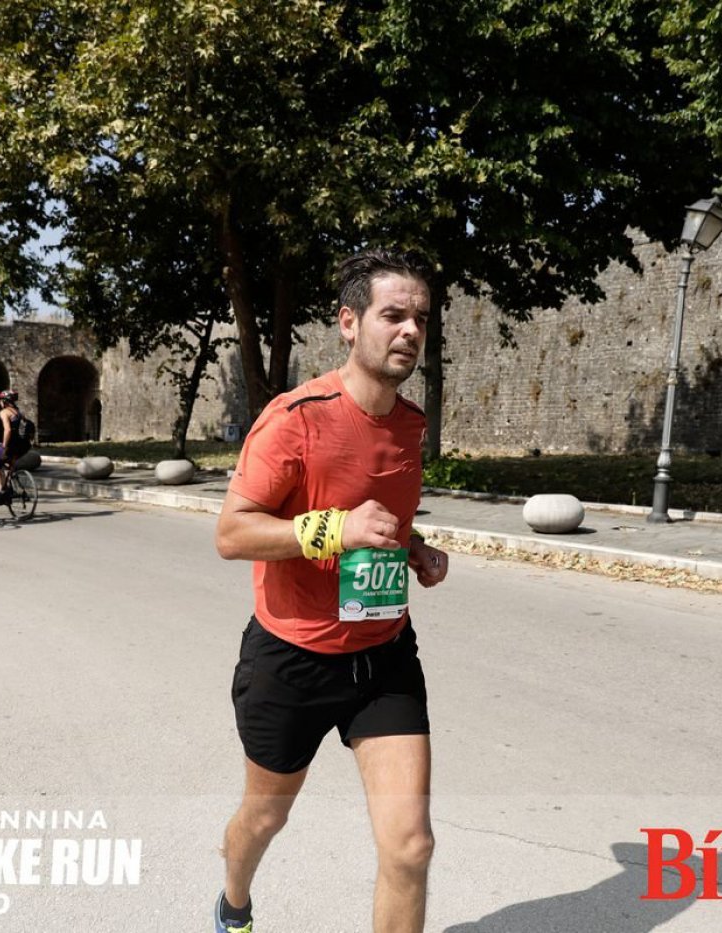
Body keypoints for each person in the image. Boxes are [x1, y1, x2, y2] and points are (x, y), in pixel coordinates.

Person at [213, 248, 450, 933]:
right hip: (292, 659)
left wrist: (412, 548)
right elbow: (232, 532)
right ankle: (233, 900)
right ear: (349, 323)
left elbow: (383, 519)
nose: (410, 330)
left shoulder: (410, 424)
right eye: (393, 315)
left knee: (411, 845)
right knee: (265, 817)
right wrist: (337, 529)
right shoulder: (296, 417)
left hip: (383, 657)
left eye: (421, 318)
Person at [0, 389, 30, 505]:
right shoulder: (19, 413)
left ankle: (2, 493)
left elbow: (7, 430)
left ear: (5, 401)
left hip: (11, 446)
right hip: (23, 446)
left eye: (0, 401)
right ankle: (12, 488)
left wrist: (4, 446)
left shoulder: (4, 412)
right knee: (8, 466)